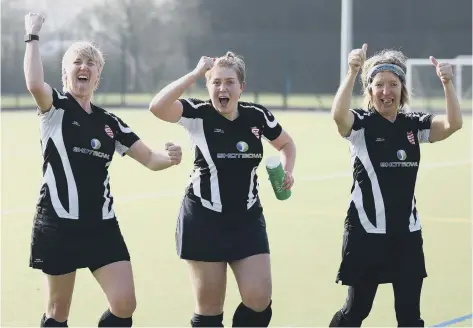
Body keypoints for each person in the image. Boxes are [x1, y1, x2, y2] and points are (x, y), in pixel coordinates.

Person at [24, 13, 182, 327]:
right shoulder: (55, 108)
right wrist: (32, 35)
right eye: (77, 62)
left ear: (98, 76)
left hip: (101, 226)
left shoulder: (110, 123)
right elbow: (32, 82)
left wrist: (171, 157)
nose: (84, 67)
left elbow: (149, 158)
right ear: (65, 73)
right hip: (58, 224)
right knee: (58, 312)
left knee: (125, 304)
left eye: (91, 63)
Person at [149, 52, 296, 327]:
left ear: (241, 87)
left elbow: (287, 144)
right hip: (204, 219)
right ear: (208, 87)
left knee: (260, 301)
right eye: (215, 82)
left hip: (247, 219)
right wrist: (195, 74)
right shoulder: (197, 114)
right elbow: (157, 107)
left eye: (229, 82)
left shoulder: (258, 116)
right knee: (209, 311)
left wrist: (288, 170)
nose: (222, 88)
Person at [329, 43, 463, 327]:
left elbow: (453, 123)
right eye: (379, 85)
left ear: (403, 89)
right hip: (366, 233)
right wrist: (352, 72)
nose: (386, 92)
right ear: (369, 90)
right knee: (356, 311)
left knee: (410, 316)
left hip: (407, 234)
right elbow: (339, 117)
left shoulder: (414, 124)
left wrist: (448, 84)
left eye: (393, 85)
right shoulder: (361, 124)